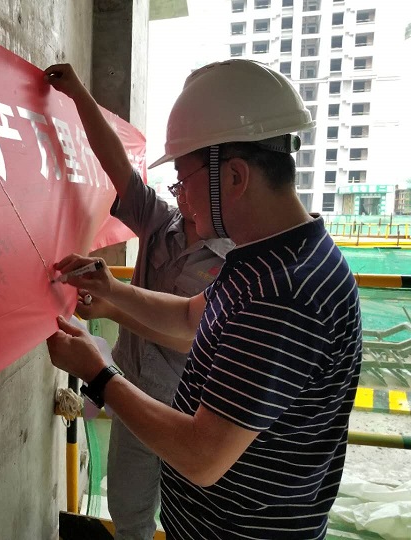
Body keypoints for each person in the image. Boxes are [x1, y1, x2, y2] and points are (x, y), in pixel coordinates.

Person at [46, 59, 362, 540]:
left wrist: (99, 373)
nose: (182, 197)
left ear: (234, 176)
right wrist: (111, 290)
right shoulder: (267, 260)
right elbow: (192, 318)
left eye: (185, 178)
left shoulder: (284, 292)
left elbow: (202, 457)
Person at [44, 64, 233, 540]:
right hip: (130, 396)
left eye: (186, 180)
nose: (181, 193)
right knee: (129, 513)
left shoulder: (236, 261)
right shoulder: (159, 221)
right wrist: (78, 94)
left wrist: (112, 306)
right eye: (177, 183)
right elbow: (114, 161)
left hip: (187, 409)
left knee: (188, 521)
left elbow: (189, 335)